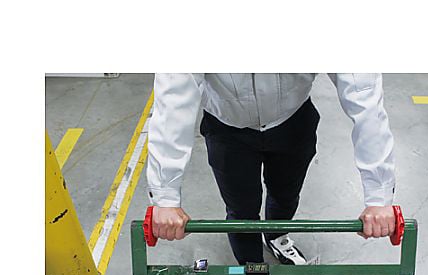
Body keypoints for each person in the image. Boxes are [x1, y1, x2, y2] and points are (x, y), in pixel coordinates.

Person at [147, 73, 396, 265]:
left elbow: (364, 93)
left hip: (292, 120)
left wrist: (379, 194)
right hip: (228, 128)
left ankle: (276, 237)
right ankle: (251, 267)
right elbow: (173, 100)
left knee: (285, 195)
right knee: (241, 210)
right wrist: (165, 196)